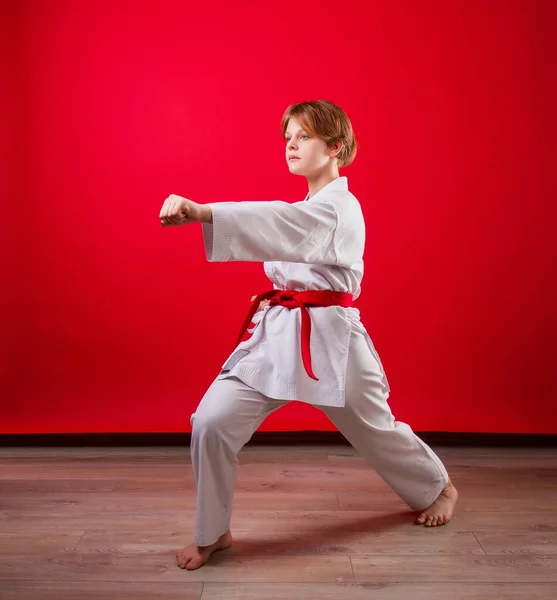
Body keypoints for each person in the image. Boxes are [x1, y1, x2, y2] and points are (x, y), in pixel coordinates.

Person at [159, 100, 458, 571]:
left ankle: (437, 487)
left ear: (335, 146)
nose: (292, 145)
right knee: (211, 423)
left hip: (330, 341)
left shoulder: (339, 209)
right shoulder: (309, 207)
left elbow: (282, 223)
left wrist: (203, 212)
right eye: (288, 137)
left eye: (304, 136)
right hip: (278, 334)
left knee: (375, 430)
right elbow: (285, 225)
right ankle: (213, 530)